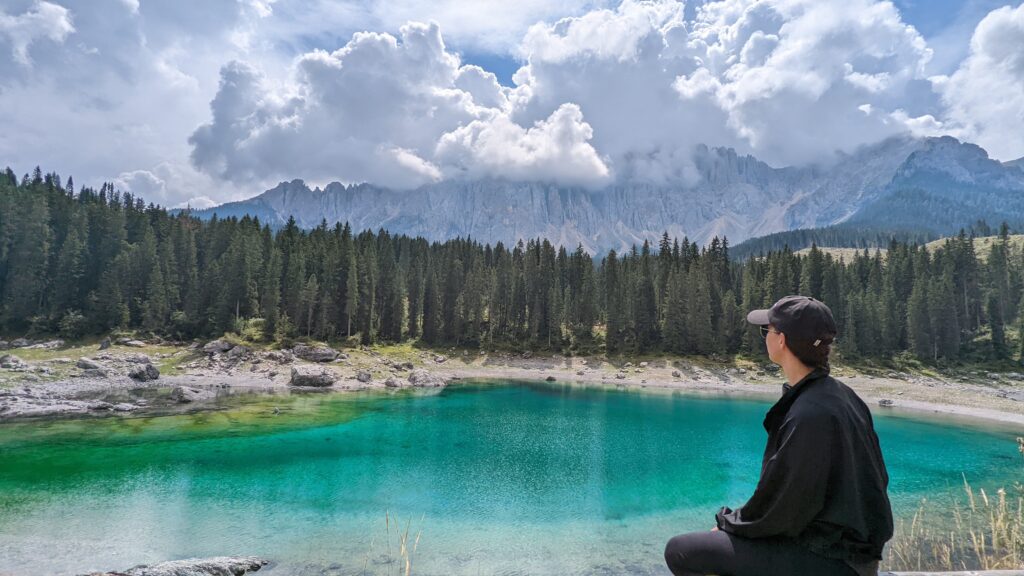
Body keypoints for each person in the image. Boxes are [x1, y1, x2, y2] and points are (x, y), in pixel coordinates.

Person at [664, 295, 893, 576]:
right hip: (851, 554)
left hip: (833, 560)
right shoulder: (843, 397)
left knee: (681, 551)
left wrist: (728, 523)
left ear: (782, 340)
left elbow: (780, 507)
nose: (765, 337)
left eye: (767, 330)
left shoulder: (809, 414)